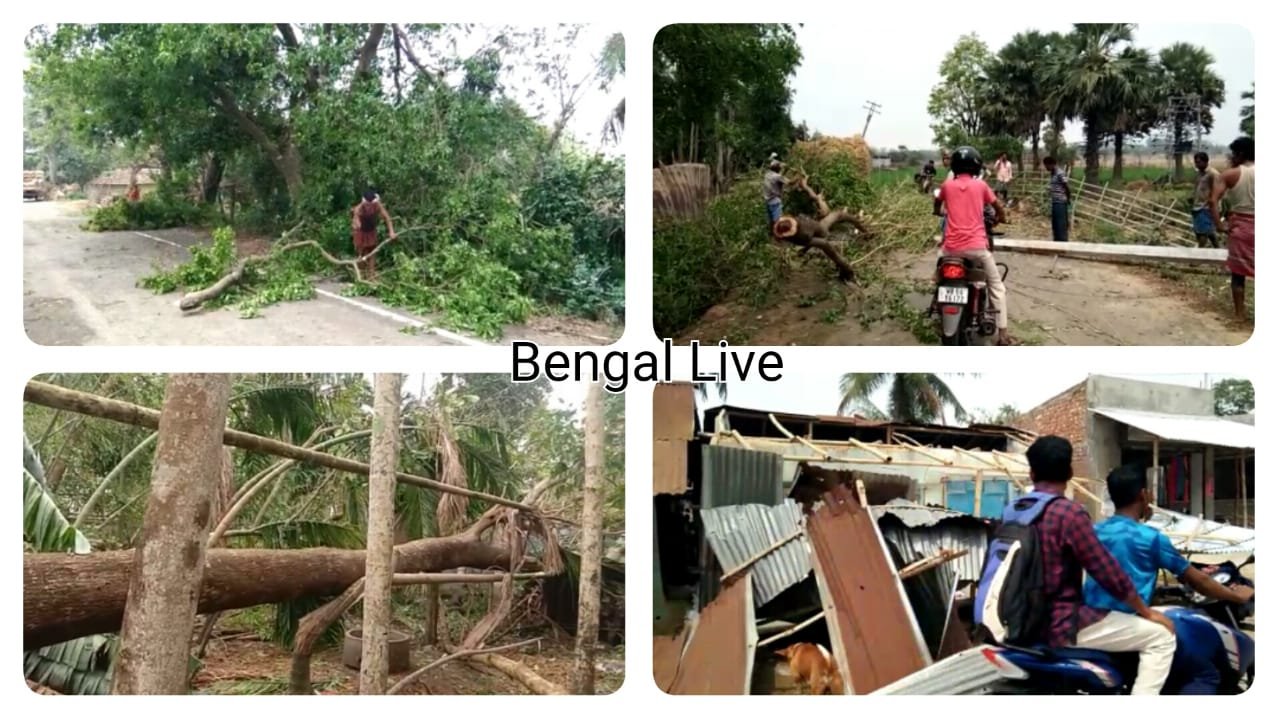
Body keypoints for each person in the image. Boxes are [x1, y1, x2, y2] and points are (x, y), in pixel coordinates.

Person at [1022, 436, 1176, 696]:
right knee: (1161, 638)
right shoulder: (1069, 514)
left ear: (1031, 472)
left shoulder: (1013, 510)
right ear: (1070, 472)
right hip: (1062, 624)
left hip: (1021, 621)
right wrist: (1146, 612)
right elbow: (1107, 572)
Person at [1084, 464, 1254, 694]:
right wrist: (1236, 596)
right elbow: (1198, 581)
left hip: (1090, 624)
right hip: (1126, 626)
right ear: (1144, 495)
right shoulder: (1150, 538)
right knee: (1203, 672)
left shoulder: (1094, 531)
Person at [934, 146, 1015, 345]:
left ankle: (936, 288)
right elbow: (998, 207)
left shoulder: (947, 186)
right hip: (978, 249)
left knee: (938, 269)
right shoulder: (981, 186)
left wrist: (938, 212)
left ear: (953, 165)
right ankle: (1003, 335)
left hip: (951, 249)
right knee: (997, 287)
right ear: (977, 167)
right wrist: (1001, 218)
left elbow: (936, 201)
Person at [1209, 136, 1254, 322]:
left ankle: (1240, 315)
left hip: (1242, 228)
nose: (1231, 157)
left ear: (1241, 154)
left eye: (1233, 153)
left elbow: (1212, 201)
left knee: (1238, 274)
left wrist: (1219, 225)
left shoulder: (1230, 175)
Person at [351, 188, 397, 280]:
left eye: (370, 204)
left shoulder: (377, 205)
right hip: (360, 232)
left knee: (372, 253)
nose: (369, 207)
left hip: (371, 231)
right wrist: (357, 224)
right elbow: (356, 222)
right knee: (362, 255)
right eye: (367, 205)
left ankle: (371, 275)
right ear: (364, 202)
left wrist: (391, 232)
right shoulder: (359, 209)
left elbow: (387, 218)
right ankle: (361, 275)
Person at [1190, 152, 1220, 248]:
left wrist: (1211, 202)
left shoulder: (1213, 174)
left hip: (1206, 207)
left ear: (1206, 161)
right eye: (1196, 162)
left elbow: (1218, 191)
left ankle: (1198, 256)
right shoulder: (1199, 173)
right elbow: (1198, 188)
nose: (1197, 164)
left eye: (1199, 162)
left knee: (1202, 232)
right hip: (1198, 205)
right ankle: (1219, 251)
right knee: (1207, 231)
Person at [1043, 156, 1072, 242]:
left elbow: (1067, 187)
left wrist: (1068, 199)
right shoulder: (1053, 173)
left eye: (1046, 166)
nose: (1046, 168)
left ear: (1051, 164)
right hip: (1055, 202)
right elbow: (1057, 186)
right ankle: (1057, 242)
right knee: (1055, 224)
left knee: (1060, 224)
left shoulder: (1060, 173)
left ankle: (1062, 243)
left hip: (1060, 202)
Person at [763, 159, 788, 228]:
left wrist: (786, 170)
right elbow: (789, 182)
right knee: (777, 222)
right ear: (778, 168)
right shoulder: (777, 177)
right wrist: (798, 178)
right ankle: (777, 237)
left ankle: (771, 236)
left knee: (771, 221)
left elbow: (780, 177)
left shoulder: (767, 174)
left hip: (768, 201)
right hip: (775, 201)